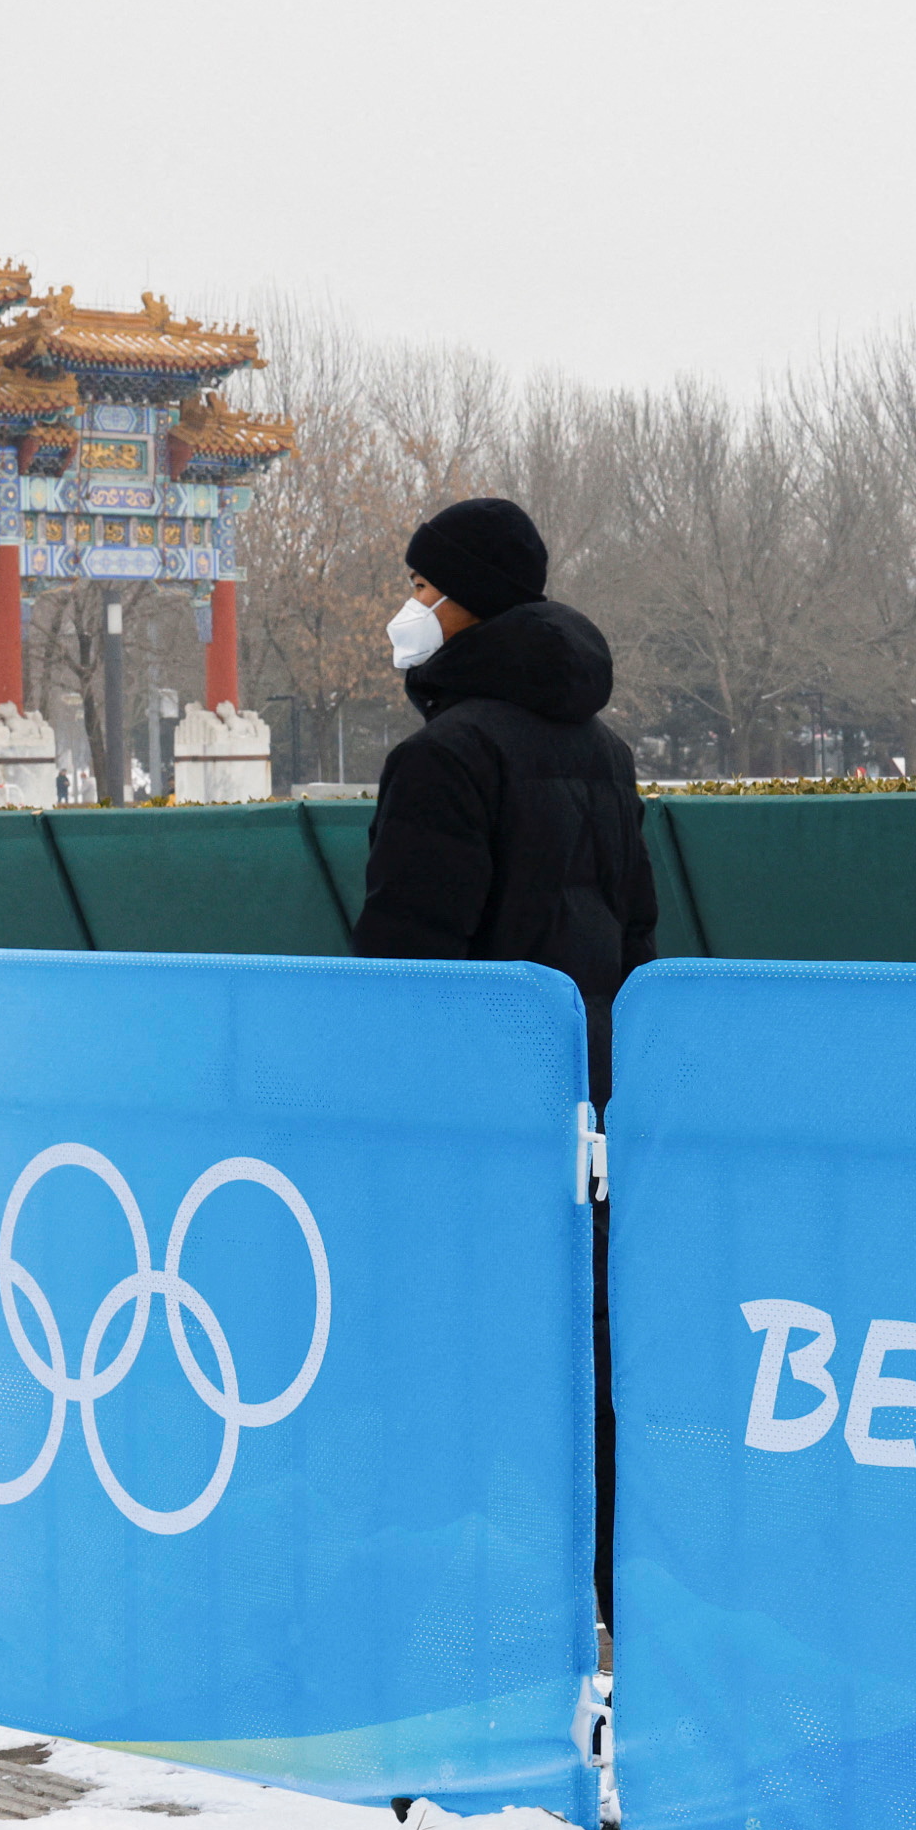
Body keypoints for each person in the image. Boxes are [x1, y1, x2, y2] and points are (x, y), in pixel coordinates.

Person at [353, 498, 656, 1624]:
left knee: (462, 1364)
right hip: (586, 1113)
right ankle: (599, 1583)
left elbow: (408, 973)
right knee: (583, 1356)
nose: (409, 608)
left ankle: (470, 1593)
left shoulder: (443, 760)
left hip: (471, 1133)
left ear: (470, 600)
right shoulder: (607, 754)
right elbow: (635, 939)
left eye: (425, 588)